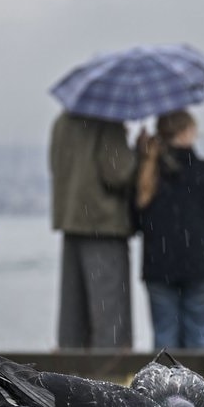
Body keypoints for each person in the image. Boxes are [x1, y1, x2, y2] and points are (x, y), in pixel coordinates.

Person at [134, 109, 204, 349]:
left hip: (159, 267)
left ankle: (163, 387)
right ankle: (197, 387)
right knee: (199, 340)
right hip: (201, 265)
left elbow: (136, 219)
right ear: (187, 132)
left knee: (164, 340)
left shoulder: (149, 172)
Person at [49, 110, 144, 349]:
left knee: (73, 318)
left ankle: (68, 375)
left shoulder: (61, 123)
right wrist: (138, 152)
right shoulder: (108, 122)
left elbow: (56, 166)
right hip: (103, 225)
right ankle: (109, 380)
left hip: (71, 221)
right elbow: (118, 173)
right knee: (110, 318)